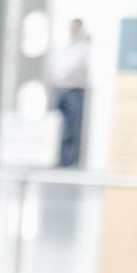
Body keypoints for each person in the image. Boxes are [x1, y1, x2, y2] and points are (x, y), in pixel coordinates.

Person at [49, 18, 92, 169]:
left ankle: (69, 161)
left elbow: (78, 68)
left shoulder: (83, 48)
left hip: (74, 88)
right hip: (60, 87)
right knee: (56, 124)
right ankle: (54, 158)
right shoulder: (63, 45)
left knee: (73, 127)